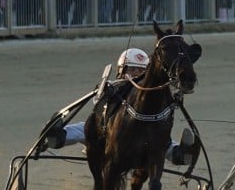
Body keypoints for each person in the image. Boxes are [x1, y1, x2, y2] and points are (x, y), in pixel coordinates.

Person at [44, 48, 199, 166]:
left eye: (141, 71)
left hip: (143, 139)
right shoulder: (113, 86)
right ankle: (56, 137)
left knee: (162, 138)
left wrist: (173, 99)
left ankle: (180, 154)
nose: (137, 73)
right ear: (122, 70)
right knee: (82, 129)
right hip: (107, 137)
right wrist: (106, 92)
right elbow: (97, 103)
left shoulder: (150, 94)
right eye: (133, 69)